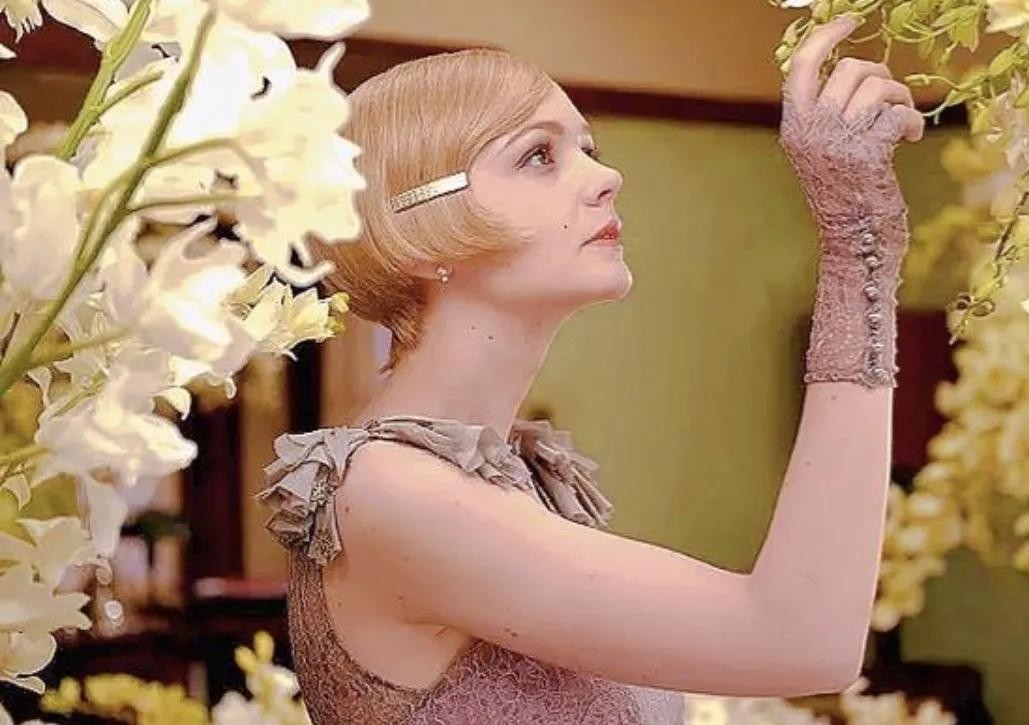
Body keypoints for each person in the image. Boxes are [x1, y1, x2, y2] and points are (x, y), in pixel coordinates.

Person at [257, 13, 925, 725]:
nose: (607, 176)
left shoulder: (500, 478)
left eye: (588, 147)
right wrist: (859, 246)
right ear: (415, 234)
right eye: (538, 155)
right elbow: (803, 640)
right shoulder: (393, 492)